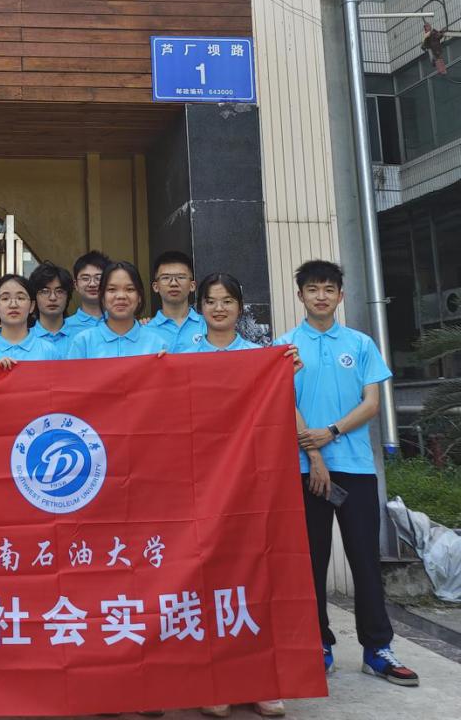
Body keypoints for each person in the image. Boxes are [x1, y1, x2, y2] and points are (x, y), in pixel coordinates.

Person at [274, 260, 419, 687]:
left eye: (328, 289)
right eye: (312, 289)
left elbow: (371, 403)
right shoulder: (285, 347)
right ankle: (318, 644)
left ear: (341, 296)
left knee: (365, 560)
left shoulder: (360, 344)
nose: (321, 296)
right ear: (300, 295)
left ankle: (378, 649)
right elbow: (282, 402)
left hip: (355, 468)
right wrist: (314, 453)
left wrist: (331, 432)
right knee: (311, 562)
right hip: (304, 470)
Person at [191, 271, 285, 720]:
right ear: (200, 308)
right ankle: (217, 682)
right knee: (208, 581)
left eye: (227, 301)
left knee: (255, 577)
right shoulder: (183, 356)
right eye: (211, 301)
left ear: (240, 307)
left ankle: (261, 681)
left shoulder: (259, 357)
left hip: (250, 482)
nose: (219, 308)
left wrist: (284, 372)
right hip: (200, 483)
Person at [67, 261, 168, 359]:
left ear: (139, 296)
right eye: (112, 289)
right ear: (102, 296)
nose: (121, 296)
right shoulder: (83, 342)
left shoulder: (156, 343)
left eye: (130, 289)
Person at [148, 250, 206, 353]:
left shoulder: (207, 326)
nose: (174, 283)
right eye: (166, 278)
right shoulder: (145, 330)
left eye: (181, 277)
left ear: (192, 285)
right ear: (156, 287)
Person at [28, 260, 75, 358]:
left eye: (59, 291)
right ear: (34, 297)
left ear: (68, 296)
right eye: (45, 291)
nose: (53, 298)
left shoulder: (82, 338)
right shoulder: (25, 339)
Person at [64, 250, 111, 335]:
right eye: (85, 278)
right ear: (76, 285)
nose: (92, 284)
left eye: (98, 278)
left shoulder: (120, 323)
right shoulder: (64, 327)